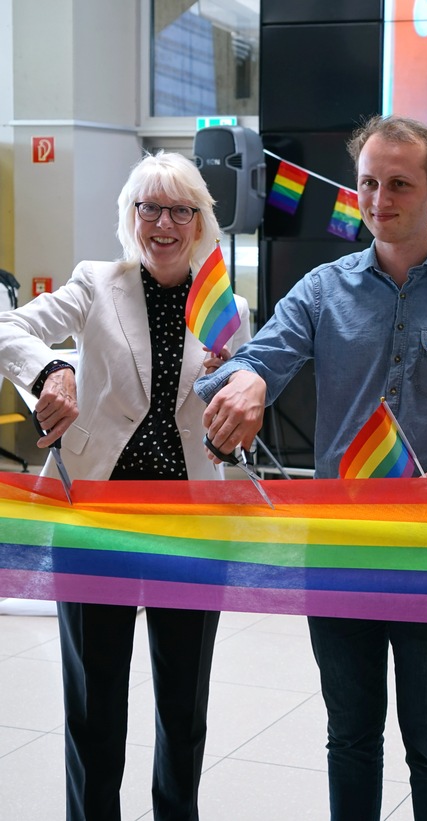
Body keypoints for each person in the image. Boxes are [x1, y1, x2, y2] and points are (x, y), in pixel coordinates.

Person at [195, 114, 427, 821]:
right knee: (350, 738)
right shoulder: (323, 289)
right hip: (339, 552)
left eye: (399, 185)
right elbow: (260, 359)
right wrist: (250, 382)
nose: (379, 200)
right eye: (367, 184)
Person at [0, 151, 252, 820]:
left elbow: (237, 425)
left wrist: (232, 407)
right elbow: (8, 326)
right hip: (97, 522)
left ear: (200, 221)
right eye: (149, 207)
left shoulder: (228, 307)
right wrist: (51, 369)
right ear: (130, 216)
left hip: (191, 523)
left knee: (183, 707)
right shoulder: (96, 282)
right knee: (93, 705)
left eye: (180, 209)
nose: (163, 223)